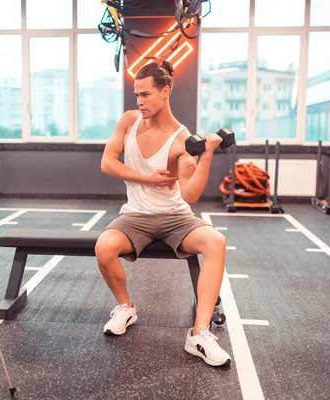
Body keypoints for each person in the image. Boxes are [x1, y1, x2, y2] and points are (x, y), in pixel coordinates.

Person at [95, 60, 231, 367]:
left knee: (216, 242)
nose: (140, 101)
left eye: (146, 94)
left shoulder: (182, 140)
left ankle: (200, 334)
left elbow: (191, 194)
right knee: (103, 247)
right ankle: (126, 307)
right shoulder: (129, 121)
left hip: (174, 216)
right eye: (136, 95)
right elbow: (107, 163)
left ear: (165, 92)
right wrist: (146, 178)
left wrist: (207, 154)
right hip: (135, 215)